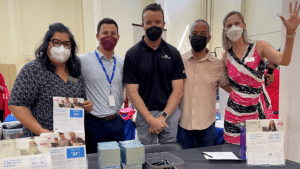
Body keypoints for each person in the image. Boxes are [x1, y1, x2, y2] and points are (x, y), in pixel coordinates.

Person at [222, 1, 300, 144]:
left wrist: (290, 33)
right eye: (229, 25)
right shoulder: (225, 56)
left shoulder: (259, 46)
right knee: (232, 159)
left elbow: (284, 60)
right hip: (233, 115)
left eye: (237, 23)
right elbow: (229, 85)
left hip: (259, 113)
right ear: (224, 30)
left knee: (262, 156)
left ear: (244, 26)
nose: (233, 27)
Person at [8, 23, 93, 137]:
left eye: (66, 44)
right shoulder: (33, 70)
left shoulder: (75, 72)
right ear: (47, 43)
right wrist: (40, 131)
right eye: (56, 42)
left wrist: (87, 106)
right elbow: (16, 104)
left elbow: (81, 101)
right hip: (41, 140)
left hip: (71, 141)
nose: (62, 48)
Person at [123, 3, 186, 145]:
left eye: (157, 22)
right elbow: (132, 93)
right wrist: (151, 120)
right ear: (142, 25)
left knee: (169, 157)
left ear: (163, 24)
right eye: (149, 22)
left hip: (169, 114)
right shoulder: (132, 54)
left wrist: (162, 118)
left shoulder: (173, 53)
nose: (153, 26)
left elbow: (178, 90)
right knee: (146, 156)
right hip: (144, 114)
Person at [177, 19, 232, 149]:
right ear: (190, 37)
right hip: (184, 123)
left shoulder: (217, 64)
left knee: (206, 161)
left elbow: (230, 87)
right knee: (185, 162)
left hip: (207, 125)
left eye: (203, 34)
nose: (198, 37)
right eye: (195, 33)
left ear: (208, 38)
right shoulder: (180, 61)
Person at [79, 18, 125, 154]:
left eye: (113, 33)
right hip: (94, 123)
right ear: (97, 36)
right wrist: (79, 102)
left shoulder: (123, 63)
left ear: (118, 37)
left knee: (118, 161)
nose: (109, 37)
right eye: (105, 33)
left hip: (116, 121)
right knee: (95, 162)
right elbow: (69, 84)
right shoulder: (82, 61)